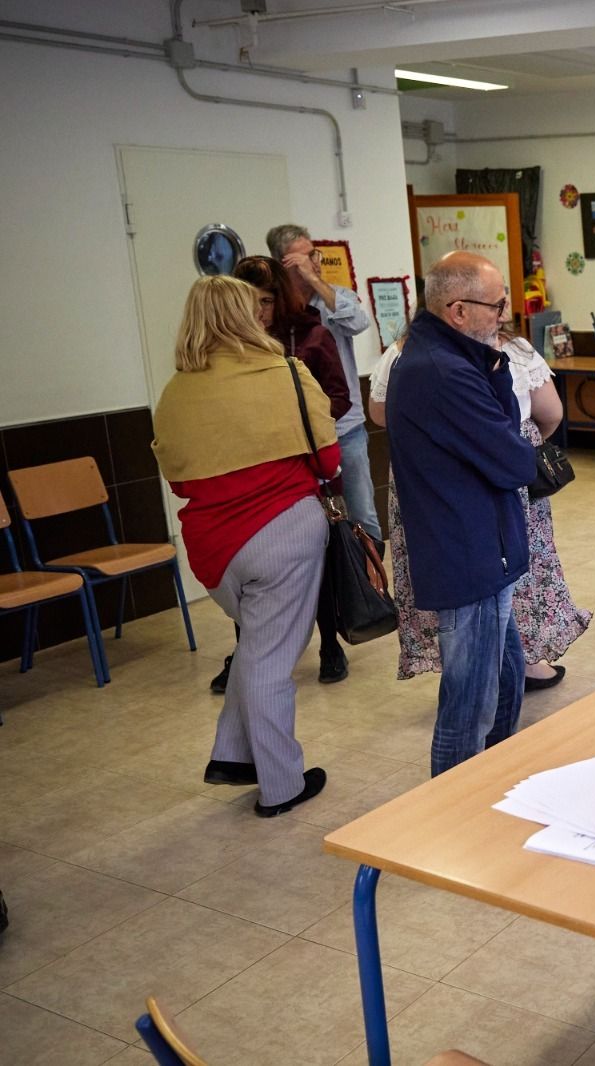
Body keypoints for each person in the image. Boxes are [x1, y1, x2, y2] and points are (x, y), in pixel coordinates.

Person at [151, 275, 336, 817]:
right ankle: (281, 784)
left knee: (257, 646)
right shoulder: (284, 374)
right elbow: (327, 462)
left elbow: (180, 481)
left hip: (211, 550)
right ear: (244, 314)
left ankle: (233, 756)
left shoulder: (175, 392)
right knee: (272, 661)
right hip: (284, 533)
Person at [374, 305, 590, 694]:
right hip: (498, 467)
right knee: (513, 564)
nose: (501, 310)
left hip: (423, 474)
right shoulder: (515, 349)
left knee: (458, 571)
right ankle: (512, 666)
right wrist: (522, 438)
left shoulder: (403, 352)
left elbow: (379, 412)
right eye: (495, 302)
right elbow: (552, 412)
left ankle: (479, 667)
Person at [386, 252, 543, 776]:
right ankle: (453, 815)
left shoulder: (457, 359)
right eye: (496, 305)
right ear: (457, 310)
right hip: (468, 555)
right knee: (468, 706)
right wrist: (493, 376)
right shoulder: (442, 372)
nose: (504, 314)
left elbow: (504, 435)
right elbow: (516, 459)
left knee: (504, 684)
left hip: (484, 549)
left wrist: (494, 365)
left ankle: (489, 788)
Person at [198, 255, 353, 694]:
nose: (256, 312)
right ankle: (246, 654)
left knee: (318, 563)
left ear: (279, 300)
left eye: (264, 301)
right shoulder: (227, 351)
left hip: (310, 468)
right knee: (247, 573)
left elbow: (337, 399)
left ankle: (329, 645)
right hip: (250, 479)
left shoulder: (311, 335)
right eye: (247, 301)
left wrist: (295, 431)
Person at [265, 223, 382, 548]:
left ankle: (374, 588)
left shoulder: (336, 297)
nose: (314, 262)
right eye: (304, 259)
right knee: (312, 521)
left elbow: (358, 323)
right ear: (283, 263)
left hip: (347, 429)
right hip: (298, 436)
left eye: (314, 254)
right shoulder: (275, 310)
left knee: (363, 513)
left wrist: (315, 280)